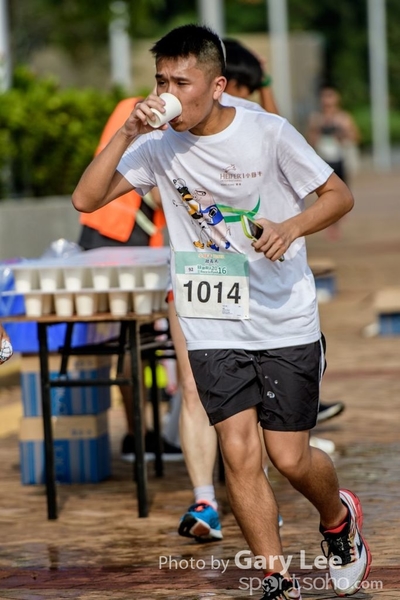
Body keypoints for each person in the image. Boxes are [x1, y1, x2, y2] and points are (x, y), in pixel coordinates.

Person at [72, 24, 371, 599]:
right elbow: (86, 199)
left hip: (284, 315)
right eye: (161, 81)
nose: (168, 93)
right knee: (238, 451)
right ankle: (276, 578)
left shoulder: (268, 133)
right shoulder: (156, 146)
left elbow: (339, 196)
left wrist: (290, 227)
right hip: (210, 318)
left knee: (289, 457)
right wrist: (128, 131)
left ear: (217, 85)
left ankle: (338, 519)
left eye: (181, 82)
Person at [77, 97, 181, 461]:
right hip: (117, 237)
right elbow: (155, 189)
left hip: (123, 237)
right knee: (131, 340)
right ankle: (139, 436)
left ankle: (141, 434)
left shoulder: (139, 110)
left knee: (133, 340)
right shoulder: (140, 112)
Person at [306, 85, 361, 240]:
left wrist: (342, 132)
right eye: (325, 97)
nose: (327, 101)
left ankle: (337, 219)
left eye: (330, 96)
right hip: (323, 161)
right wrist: (317, 131)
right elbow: (309, 141)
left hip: (339, 159)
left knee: (340, 192)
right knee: (326, 194)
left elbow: (356, 137)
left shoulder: (343, 118)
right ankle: (331, 224)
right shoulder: (316, 118)